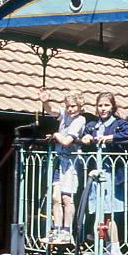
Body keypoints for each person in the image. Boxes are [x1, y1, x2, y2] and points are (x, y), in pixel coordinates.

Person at [81, 92, 128, 255]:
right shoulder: (92, 125)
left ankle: (115, 247)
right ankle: (103, 246)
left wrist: (111, 138)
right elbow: (85, 136)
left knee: (109, 212)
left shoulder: (119, 124)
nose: (103, 108)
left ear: (113, 107)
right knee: (97, 211)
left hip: (113, 175)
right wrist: (85, 137)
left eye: (106, 105)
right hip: (96, 174)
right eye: (100, 105)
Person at [40, 88, 86, 245]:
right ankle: (57, 230)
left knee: (67, 197)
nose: (70, 109)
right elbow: (51, 110)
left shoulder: (80, 120)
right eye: (68, 106)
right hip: (60, 160)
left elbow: (67, 141)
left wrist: (55, 135)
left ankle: (67, 231)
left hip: (71, 162)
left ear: (80, 106)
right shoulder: (65, 115)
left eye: (73, 106)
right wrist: (45, 101)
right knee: (55, 197)